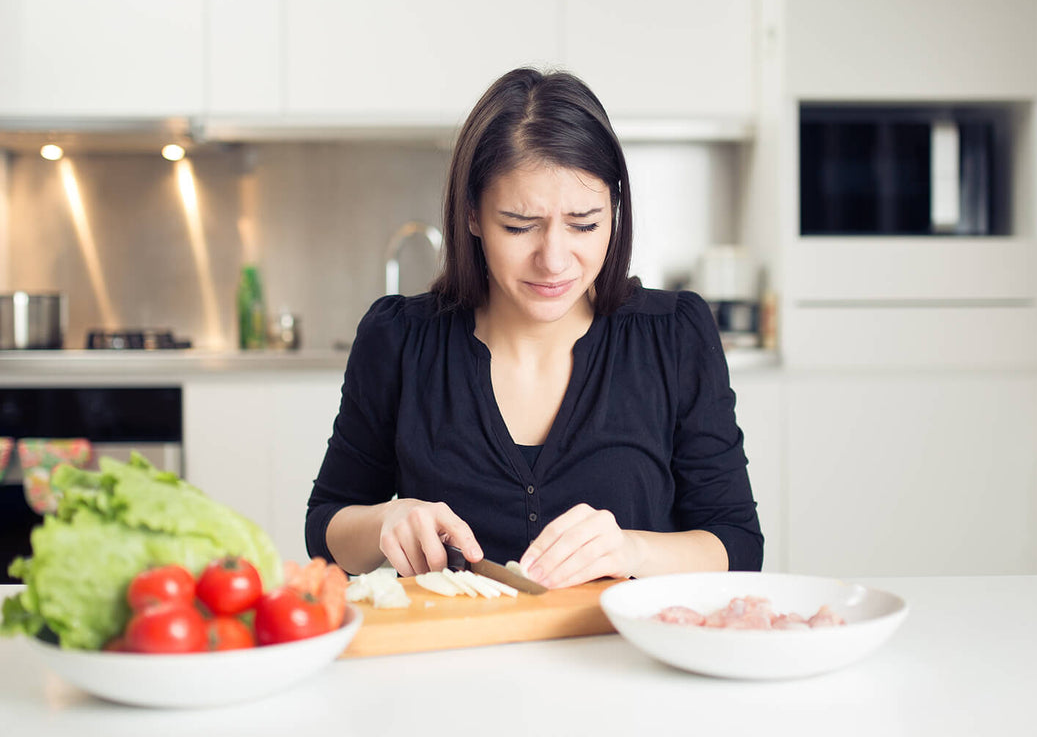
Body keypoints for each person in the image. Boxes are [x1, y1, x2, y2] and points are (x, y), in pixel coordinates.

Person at [305, 67, 763, 589]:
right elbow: (325, 527)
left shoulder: (673, 336)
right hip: (453, 662)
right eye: (519, 226)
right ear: (472, 214)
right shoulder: (400, 340)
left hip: (623, 663)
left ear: (614, 211)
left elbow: (738, 544)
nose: (554, 260)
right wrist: (384, 520)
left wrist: (631, 548)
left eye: (585, 224)